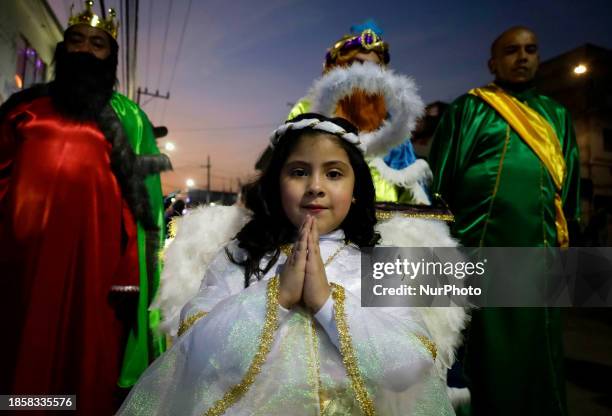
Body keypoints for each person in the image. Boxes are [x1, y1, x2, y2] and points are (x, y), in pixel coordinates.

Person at [119, 114, 465, 415]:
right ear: (275, 184)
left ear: (355, 186)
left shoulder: (375, 264)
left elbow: (412, 364)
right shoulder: (239, 256)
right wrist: (277, 297)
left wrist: (327, 304)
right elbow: (195, 352)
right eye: (299, 172)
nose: (315, 187)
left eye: (333, 173)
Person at [0, 1, 171, 413]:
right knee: (21, 356)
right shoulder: (22, 108)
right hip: (21, 264)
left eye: (97, 44)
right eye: (75, 40)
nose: (85, 50)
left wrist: (133, 271)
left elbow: (145, 208)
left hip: (95, 271)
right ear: (62, 50)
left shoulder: (129, 118)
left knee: (84, 363)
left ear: (111, 55)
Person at [429, 26, 581, 415]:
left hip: (539, 257)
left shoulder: (557, 115)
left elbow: (571, 192)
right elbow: (440, 184)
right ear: (493, 62)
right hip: (480, 258)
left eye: (531, 49)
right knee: (480, 357)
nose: (523, 57)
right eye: (512, 50)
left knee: (539, 355)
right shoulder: (470, 109)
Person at [283, 21, 431, 204]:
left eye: (376, 67)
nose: (367, 74)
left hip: (387, 222)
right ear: (340, 67)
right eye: (358, 63)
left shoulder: (391, 123)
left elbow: (412, 189)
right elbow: (288, 170)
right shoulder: (308, 109)